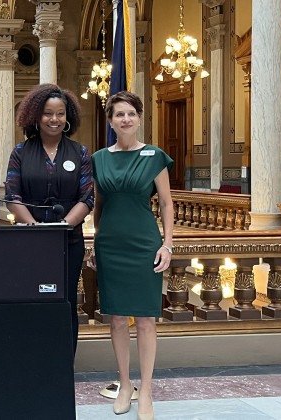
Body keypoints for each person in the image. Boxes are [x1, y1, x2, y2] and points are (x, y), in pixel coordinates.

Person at [89, 91, 174, 420]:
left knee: (146, 319)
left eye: (131, 114)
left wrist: (168, 244)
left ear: (140, 118)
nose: (125, 119)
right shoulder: (99, 159)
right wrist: (96, 244)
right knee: (116, 319)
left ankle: (147, 392)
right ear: (110, 121)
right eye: (119, 114)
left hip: (144, 243)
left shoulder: (155, 156)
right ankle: (125, 385)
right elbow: (98, 206)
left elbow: (166, 203)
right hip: (111, 243)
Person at [4, 83, 94, 355]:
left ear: (68, 117)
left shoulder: (80, 153)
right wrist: (35, 229)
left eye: (60, 113)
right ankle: (33, 357)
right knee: (32, 299)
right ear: (35, 116)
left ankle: (63, 359)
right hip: (30, 242)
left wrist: (63, 227)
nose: (54, 119)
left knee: (66, 300)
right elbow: (12, 195)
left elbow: (87, 198)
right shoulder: (21, 152)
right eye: (47, 113)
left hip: (69, 241)